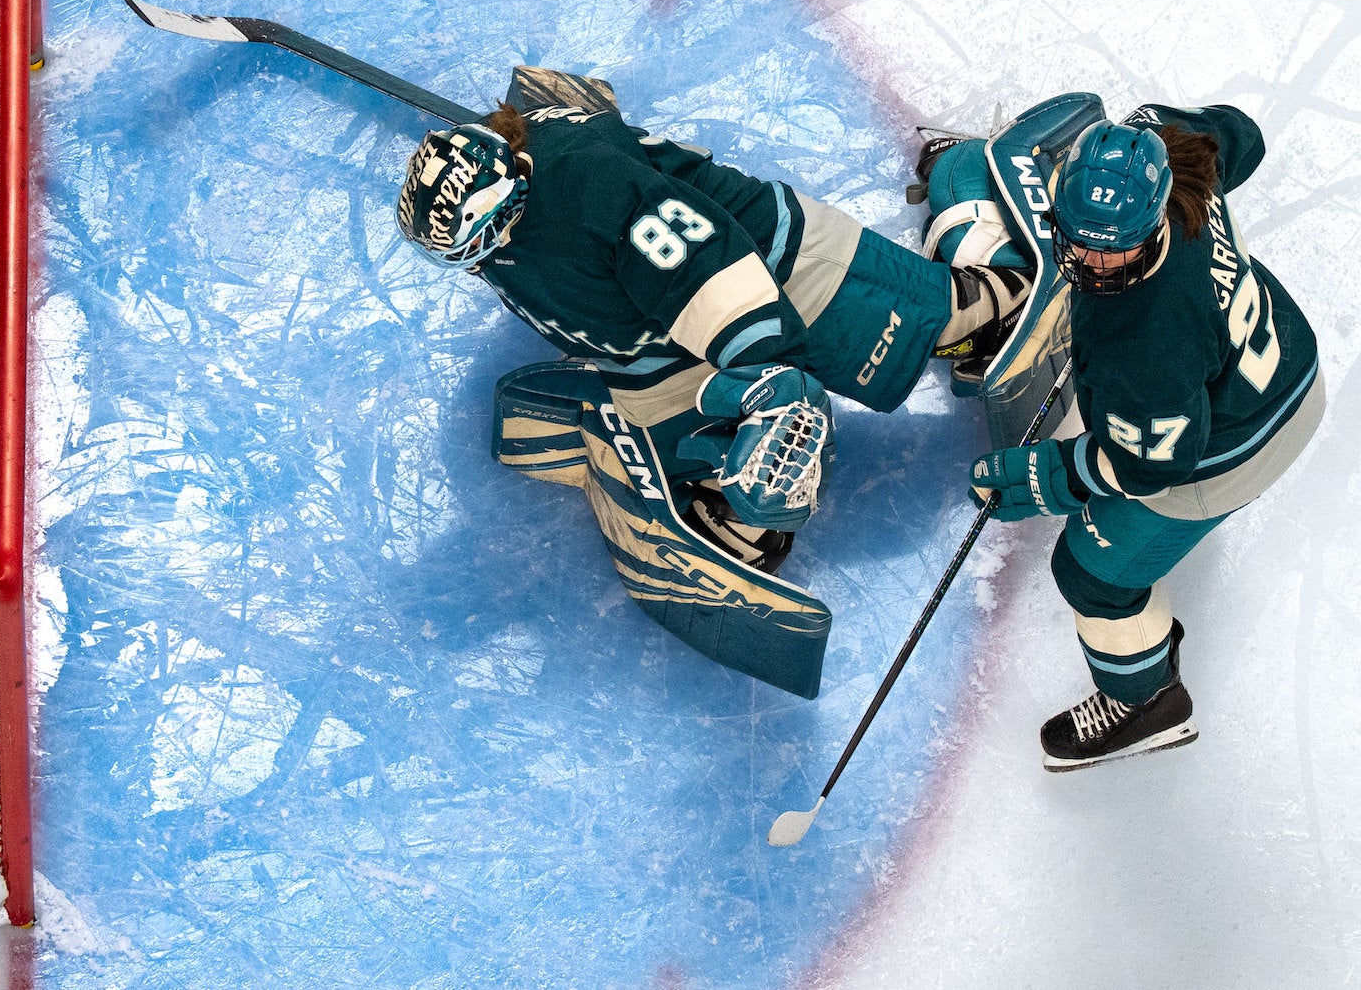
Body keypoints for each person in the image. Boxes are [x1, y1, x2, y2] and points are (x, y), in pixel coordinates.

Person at [398, 64, 1033, 564]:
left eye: (483, 237)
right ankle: (739, 491)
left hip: (777, 266)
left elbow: (707, 266)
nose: (479, 259)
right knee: (695, 443)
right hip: (656, 332)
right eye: (462, 252)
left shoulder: (595, 191)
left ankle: (980, 232)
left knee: (946, 323)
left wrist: (772, 381)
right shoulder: (507, 200)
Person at [964, 105, 1323, 771]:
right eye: (1084, 239)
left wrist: (1052, 473)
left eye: (1118, 244)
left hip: (1241, 437)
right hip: (1284, 358)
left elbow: (1153, 462)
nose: (1097, 263)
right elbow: (1243, 134)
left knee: (1089, 572)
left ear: (1155, 217)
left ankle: (1147, 703)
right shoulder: (1177, 152)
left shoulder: (1146, 341)